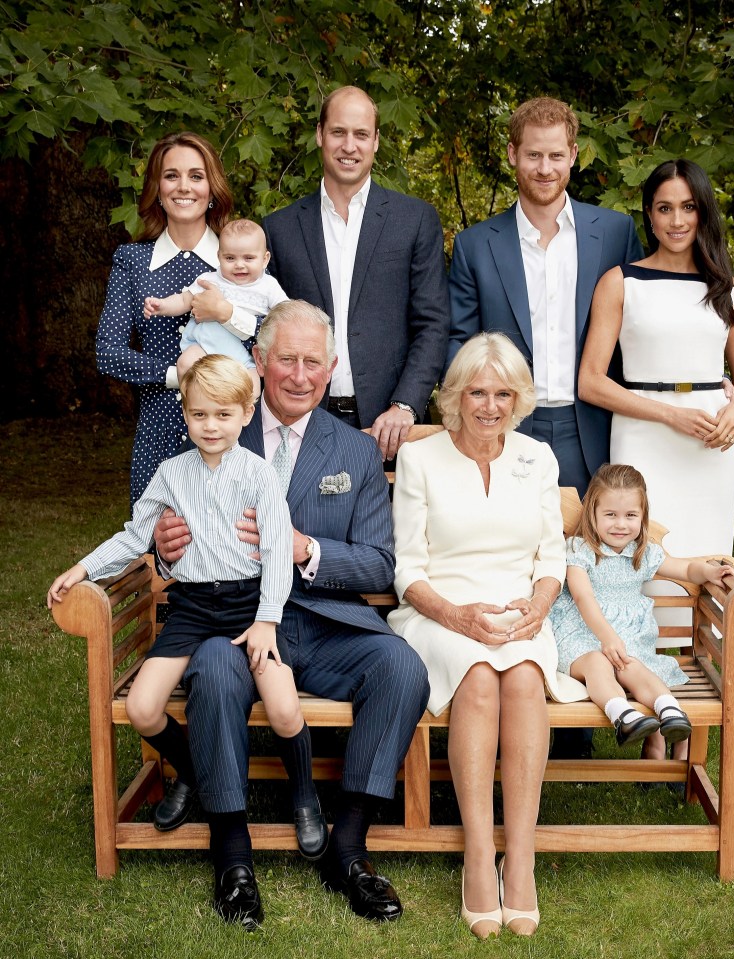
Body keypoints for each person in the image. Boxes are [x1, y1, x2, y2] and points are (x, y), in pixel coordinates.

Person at [153, 300, 430, 928]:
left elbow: (379, 566)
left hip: (329, 623)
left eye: (314, 363)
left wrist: (306, 548)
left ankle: (349, 847)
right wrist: (166, 546)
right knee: (216, 673)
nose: (300, 375)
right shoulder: (219, 430)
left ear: (331, 370)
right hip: (235, 620)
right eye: (287, 360)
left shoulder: (356, 452)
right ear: (258, 361)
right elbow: (165, 533)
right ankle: (232, 855)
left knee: (402, 668)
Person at [47, 355, 327, 886]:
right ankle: (195, 774)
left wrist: (267, 621)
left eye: (223, 414)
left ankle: (305, 797)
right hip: (194, 607)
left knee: (287, 709)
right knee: (144, 707)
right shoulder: (172, 474)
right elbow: (136, 536)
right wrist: (82, 567)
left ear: (246, 414)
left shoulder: (259, 475)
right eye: (199, 415)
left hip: (250, 607)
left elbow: (275, 552)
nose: (211, 426)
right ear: (185, 414)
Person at [387, 332, 587, 939]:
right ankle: (478, 855)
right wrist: (456, 616)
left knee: (525, 678)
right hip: (437, 613)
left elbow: (551, 558)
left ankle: (519, 858)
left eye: (503, 393)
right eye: (477, 391)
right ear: (455, 395)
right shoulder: (421, 459)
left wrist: (538, 607)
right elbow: (407, 572)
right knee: (477, 678)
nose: (490, 406)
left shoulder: (537, 458)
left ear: (519, 398)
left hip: (519, 612)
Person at [578, 159, 734, 762]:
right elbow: (592, 382)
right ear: (648, 214)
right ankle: (653, 711)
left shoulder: (731, 291)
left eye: (687, 207)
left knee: (704, 571)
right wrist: (668, 414)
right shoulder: (620, 282)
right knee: (644, 569)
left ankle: (689, 729)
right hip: (645, 437)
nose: (676, 219)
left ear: (703, 211)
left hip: (710, 448)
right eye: (663, 207)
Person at [447, 96, 644, 498]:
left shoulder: (614, 233)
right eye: (533, 154)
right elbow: (458, 341)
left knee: (597, 554)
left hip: (594, 425)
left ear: (573, 155)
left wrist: (704, 382)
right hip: (507, 426)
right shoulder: (475, 245)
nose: (544, 168)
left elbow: (645, 324)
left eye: (555, 155)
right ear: (512, 154)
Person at [262, 85, 450, 460]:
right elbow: (266, 327)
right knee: (298, 521)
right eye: (338, 132)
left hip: (390, 426)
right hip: (301, 420)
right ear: (320, 135)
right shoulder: (278, 229)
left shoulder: (414, 220)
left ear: (376, 141)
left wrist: (406, 405)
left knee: (386, 522)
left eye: (361, 134)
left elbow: (432, 322)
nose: (350, 146)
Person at [549, 464, 734, 746]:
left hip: (627, 643)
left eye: (630, 516)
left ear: (642, 516)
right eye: (610, 515)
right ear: (593, 513)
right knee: (598, 663)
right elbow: (582, 597)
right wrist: (607, 637)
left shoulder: (643, 552)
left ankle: (670, 710)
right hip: (581, 637)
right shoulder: (580, 550)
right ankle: (622, 715)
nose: (620, 524)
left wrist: (709, 572)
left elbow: (686, 571)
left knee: (633, 667)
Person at [96, 131, 234, 509]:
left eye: (196, 175)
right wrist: (178, 375)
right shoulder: (132, 261)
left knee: (234, 547)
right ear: (157, 189)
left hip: (232, 429)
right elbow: (108, 352)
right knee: (158, 547)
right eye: (171, 175)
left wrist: (227, 313)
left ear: (212, 188)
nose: (183, 186)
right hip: (160, 426)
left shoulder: (238, 258)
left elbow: (268, 338)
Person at [144, 218, 288, 398]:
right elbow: (183, 300)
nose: (239, 264)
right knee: (185, 364)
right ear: (218, 256)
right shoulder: (209, 279)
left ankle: (237, 421)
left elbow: (286, 314)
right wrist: (162, 305)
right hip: (204, 347)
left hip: (242, 356)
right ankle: (194, 405)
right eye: (230, 258)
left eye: (249, 258)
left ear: (265, 259)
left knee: (254, 389)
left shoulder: (269, 286)